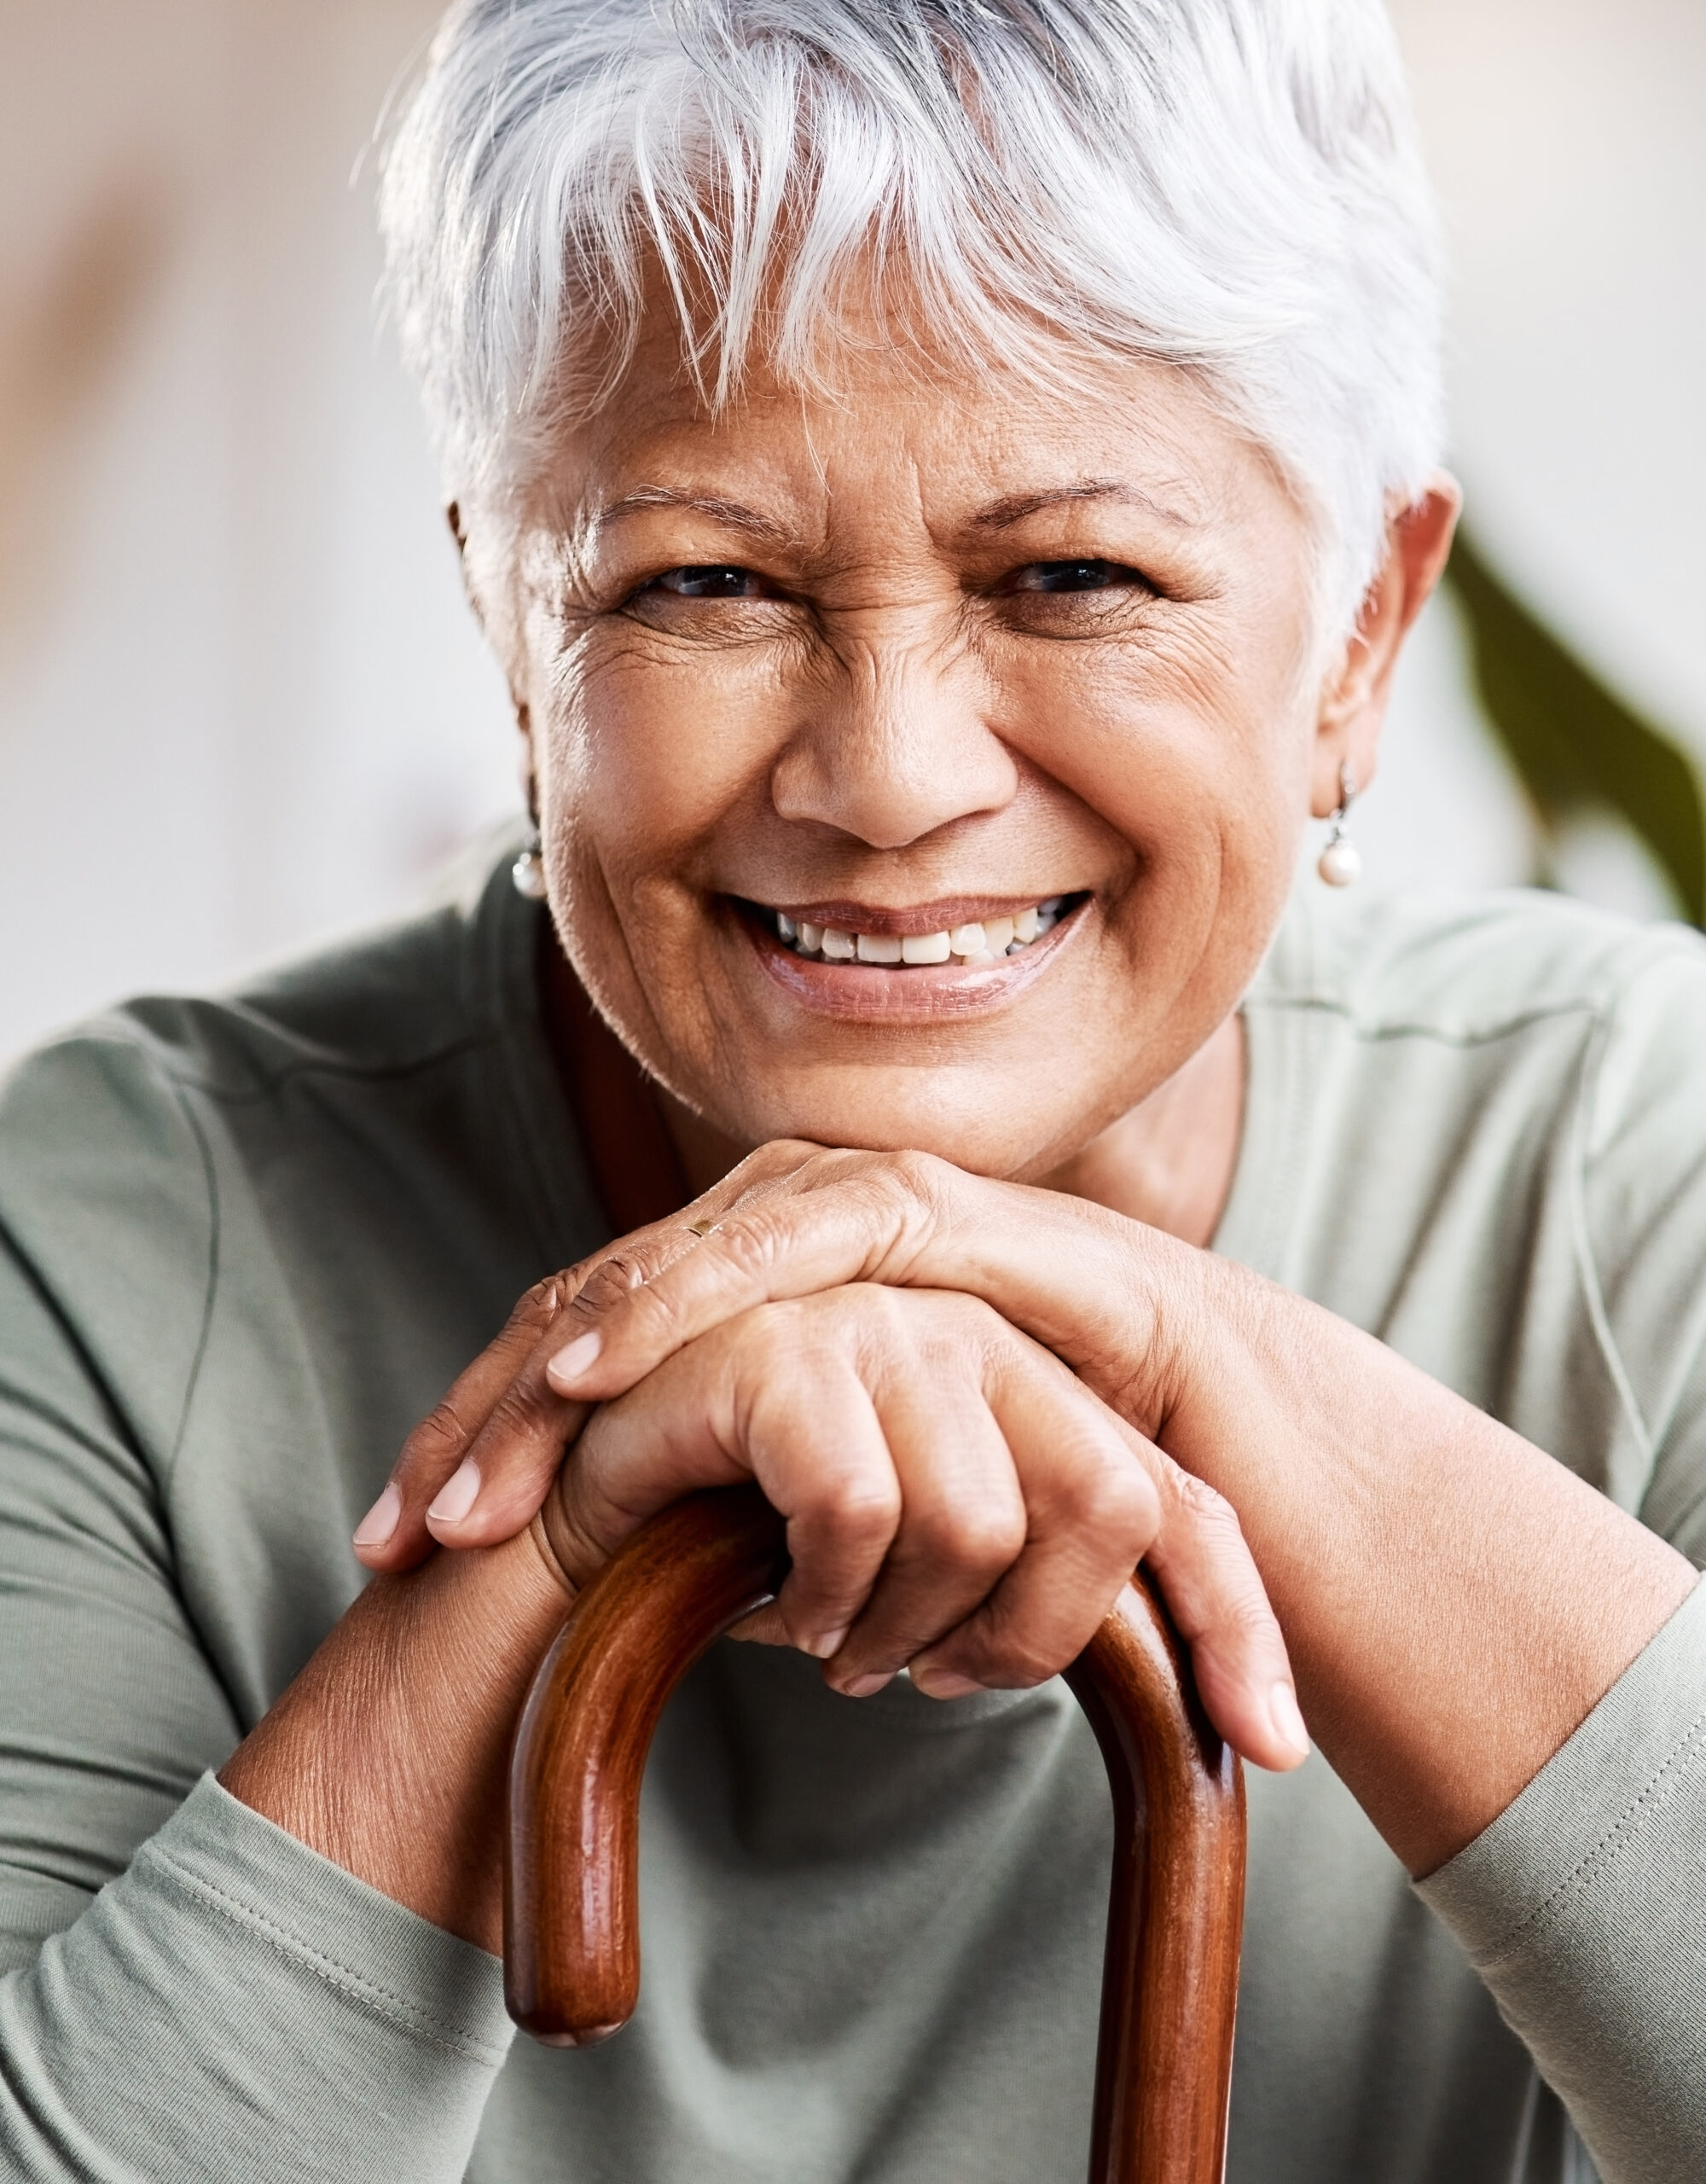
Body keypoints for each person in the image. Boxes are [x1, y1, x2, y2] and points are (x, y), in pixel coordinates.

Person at [1, 1, 1702, 2177]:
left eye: (1073, 576)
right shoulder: (120, 1237)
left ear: (1358, 636)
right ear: (516, 637)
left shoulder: (1643, 1165)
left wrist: (1165, 1340)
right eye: (703, 582)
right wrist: (571, 1522)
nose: (890, 778)